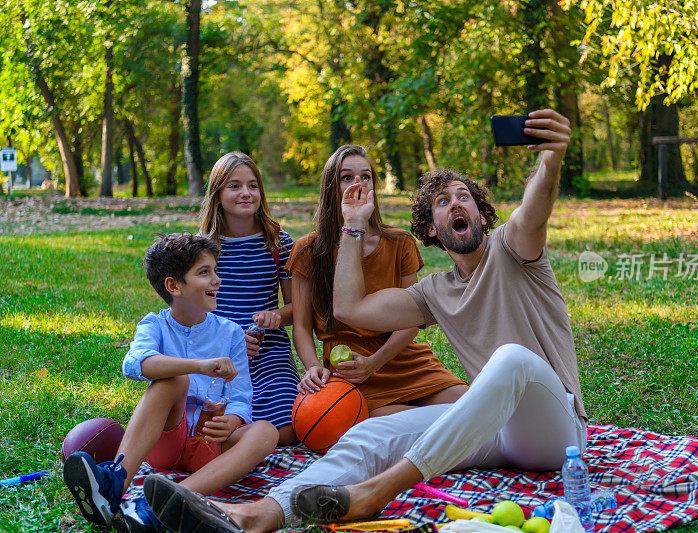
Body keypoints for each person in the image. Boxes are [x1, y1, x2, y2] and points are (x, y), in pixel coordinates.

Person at [142, 109, 585, 533]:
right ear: (431, 229)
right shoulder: (435, 291)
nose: (456, 204)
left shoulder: (514, 250)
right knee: (369, 435)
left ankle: (373, 494)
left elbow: (534, 210)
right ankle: (257, 513)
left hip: (557, 433)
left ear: (480, 214)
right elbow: (351, 309)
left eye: (463, 196)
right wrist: (353, 224)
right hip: (498, 433)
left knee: (509, 359)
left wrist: (550, 160)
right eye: (443, 201)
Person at [63, 233, 277, 533]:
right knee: (173, 379)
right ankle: (114, 484)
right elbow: (135, 364)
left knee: (266, 432)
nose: (216, 279)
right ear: (174, 286)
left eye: (216, 270)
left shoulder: (230, 333)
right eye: (204, 272)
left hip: (211, 443)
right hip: (167, 439)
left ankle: (167, 501)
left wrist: (233, 419)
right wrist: (199, 366)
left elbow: (242, 394)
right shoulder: (154, 324)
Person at [289, 145, 467, 416]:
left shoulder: (400, 242)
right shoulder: (308, 249)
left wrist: (374, 362)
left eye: (366, 176)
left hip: (400, 358)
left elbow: (411, 320)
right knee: (375, 425)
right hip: (349, 370)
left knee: (471, 406)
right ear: (330, 187)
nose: (358, 184)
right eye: (346, 177)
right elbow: (301, 327)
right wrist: (314, 366)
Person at [199, 151, 298, 445]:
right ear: (217, 194)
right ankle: (241, 441)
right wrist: (229, 339)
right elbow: (193, 312)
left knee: (292, 426)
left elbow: (296, 308)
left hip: (268, 352)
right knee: (204, 415)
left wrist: (277, 316)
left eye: (252, 185)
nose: (246, 193)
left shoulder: (279, 242)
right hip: (218, 353)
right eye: (234, 186)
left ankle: (236, 442)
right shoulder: (203, 247)